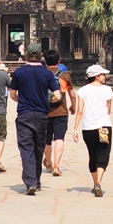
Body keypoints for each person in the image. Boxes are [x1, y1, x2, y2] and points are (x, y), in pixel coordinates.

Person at [8, 42, 61, 196]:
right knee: (38, 149)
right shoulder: (47, 74)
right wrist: (45, 102)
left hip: (25, 115)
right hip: (41, 116)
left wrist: (22, 101)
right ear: (40, 56)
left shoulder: (19, 73)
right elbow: (57, 96)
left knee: (26, 148)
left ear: (27, 55)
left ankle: (30, 181)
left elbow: (12, 94)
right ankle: (36, 181)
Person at [73, 64, 113, 197]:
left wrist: (75, 129)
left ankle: (95, 182)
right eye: (103, 75)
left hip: (88, 128)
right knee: (103, 153)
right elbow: (108, 110)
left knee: (92, 154)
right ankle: (99, 183)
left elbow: (80, 111)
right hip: (103, 127)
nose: (105, 77)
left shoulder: (83, 90)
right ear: (96, 76)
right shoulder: (107, 90)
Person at [43, 49, 74, 177]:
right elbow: (72, 93)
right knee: (59, 139)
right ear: (59, 61)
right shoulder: (65, 75)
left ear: (45, 63)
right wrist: (73, 106)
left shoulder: (42, 74)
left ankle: (48, 163)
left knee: (47, 140)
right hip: (61, 111)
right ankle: (57, 166)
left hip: (45, 112)